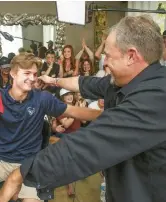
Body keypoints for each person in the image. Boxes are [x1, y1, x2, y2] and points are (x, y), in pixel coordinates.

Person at [1, 14, 166, 202]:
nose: (105, 62)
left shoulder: (157, 97)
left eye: (108, 56)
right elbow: (85, 83)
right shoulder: (121, 82)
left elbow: (85, 147)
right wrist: (54, 80)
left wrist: (20, 174)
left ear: (131, 56)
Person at [0, 53, 102, 202]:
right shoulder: (1, 98)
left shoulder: (42, 98)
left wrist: (108, 115)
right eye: (26, 73)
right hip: (3, 160)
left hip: (30, 163)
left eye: (35, 74)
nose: (32, 78)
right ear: (13, 73)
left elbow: (75, 111)